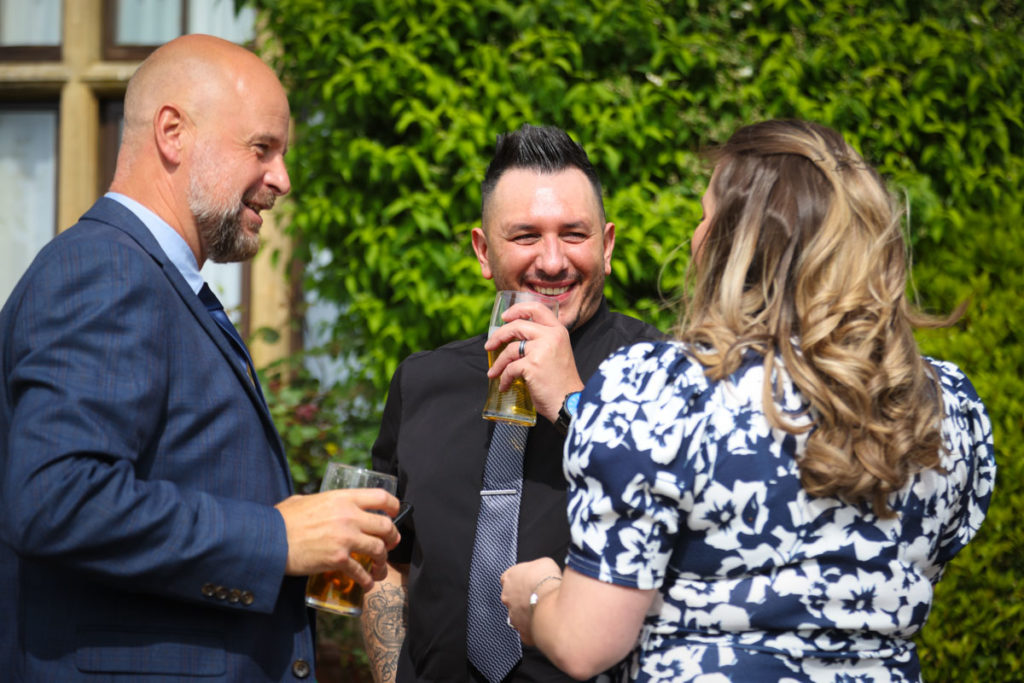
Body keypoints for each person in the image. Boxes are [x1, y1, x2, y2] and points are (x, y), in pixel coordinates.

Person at [500, 119, 996, 682]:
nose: (694, 237)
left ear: (733, 246)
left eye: (704, 217)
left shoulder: (659, 389)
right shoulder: (946, 405)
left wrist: (537, 595)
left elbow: (585, 643)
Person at [0, 34, 400, 682]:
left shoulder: (149, 278)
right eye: (261, 148)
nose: (282, 179)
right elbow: (58, 498)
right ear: (172, 133)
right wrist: (276, 538)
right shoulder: (106, 270)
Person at [361, 124, 663, 683]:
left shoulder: (663, 372)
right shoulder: (422, 381)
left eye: (574, 234)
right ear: (483, 251)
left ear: (607, 245)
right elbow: (389, 563)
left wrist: (573, 400)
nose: (552, 261)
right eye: (525, 236)